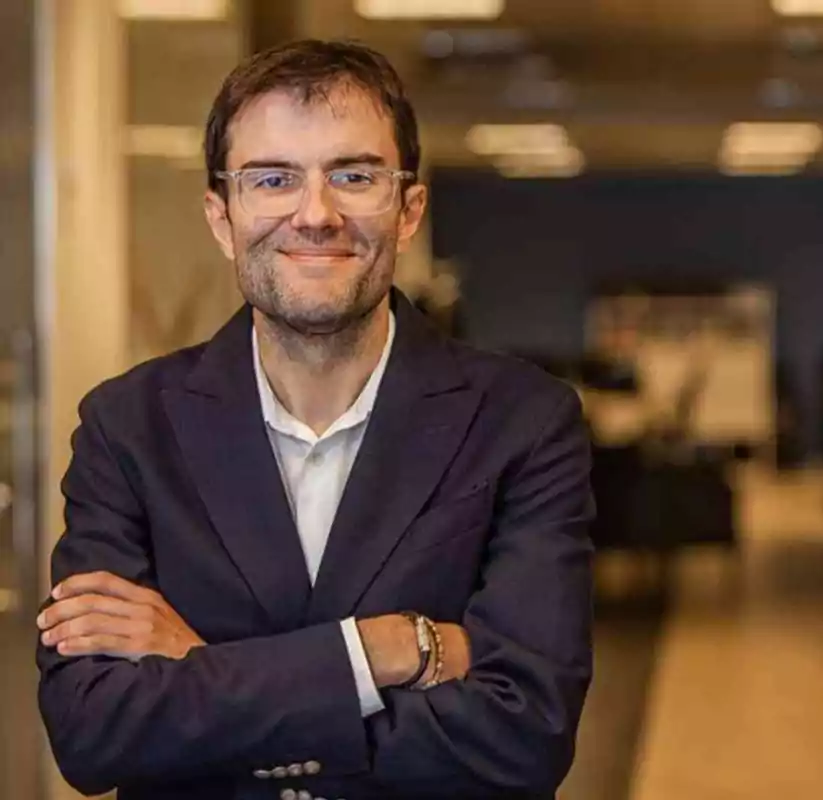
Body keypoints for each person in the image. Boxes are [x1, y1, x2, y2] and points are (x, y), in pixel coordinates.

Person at [35, 39, 594, 800]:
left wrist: (206, 673)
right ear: (221, 215)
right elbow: (95, 732)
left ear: (408, 209)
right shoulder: (127, 428)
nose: (315, 214)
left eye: (355, 176)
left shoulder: (525, 423)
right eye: (272, 179)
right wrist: (382, 650)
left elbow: (524, 736)